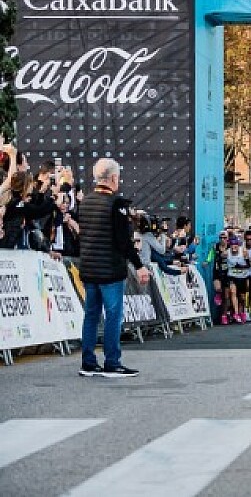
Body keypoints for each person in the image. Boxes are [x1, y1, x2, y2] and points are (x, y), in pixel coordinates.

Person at [78, 158, 150, 378]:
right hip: (110, 269)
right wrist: (139, 266)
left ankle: (88, 362)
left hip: (89, 268)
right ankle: (112, 362)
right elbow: (123, 241)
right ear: (113, 178)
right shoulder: (116, 204)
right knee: (113, 316)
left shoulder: (85, 202)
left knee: (91, 316)